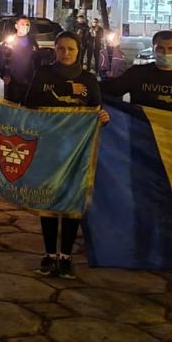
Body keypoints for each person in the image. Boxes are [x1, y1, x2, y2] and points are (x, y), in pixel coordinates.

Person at [24, 32, 110, 279]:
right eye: (61, 48)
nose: (66, 53)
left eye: (70, 49)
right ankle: (49, 254)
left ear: (78, 50)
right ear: (55, 50)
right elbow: (27, 107)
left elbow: (97, 110)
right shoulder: (43, 74)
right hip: (47, 149)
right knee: (48, 200)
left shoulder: (88, 79)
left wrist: (103, 118)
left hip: (77, 152)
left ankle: (66, 257)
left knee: (71, 202)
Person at [100, 30, 172, 114]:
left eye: (171, 48)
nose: (166, 53)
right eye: (160, 48)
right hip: (143, 133)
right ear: (153, 50)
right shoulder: (137, 73)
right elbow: (109, 89)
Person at [0, 16, 40, 105]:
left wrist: (36, 77)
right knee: (11, 108)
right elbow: (1, 60)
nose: (25, 26)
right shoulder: (9, 42)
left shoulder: (32, 42)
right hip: (12, 82)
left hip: (29, 81)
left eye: (27, 24)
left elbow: (37, 60)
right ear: (16, 26)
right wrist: (4, 75)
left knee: (27, 108)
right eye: (22, 24)